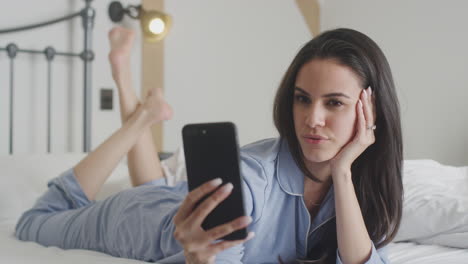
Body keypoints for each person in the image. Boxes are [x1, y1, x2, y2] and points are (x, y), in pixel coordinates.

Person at [16, 26, 403, 264]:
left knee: (153, 188)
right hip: (138, 225)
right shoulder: (252, 177)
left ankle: (140, 109)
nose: (311, 119)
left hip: (171, 200)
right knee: (38, 218)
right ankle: (136, 113)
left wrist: (342, 173)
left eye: (333, 102)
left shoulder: (358, 183)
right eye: (302, 98)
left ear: (370, 111)